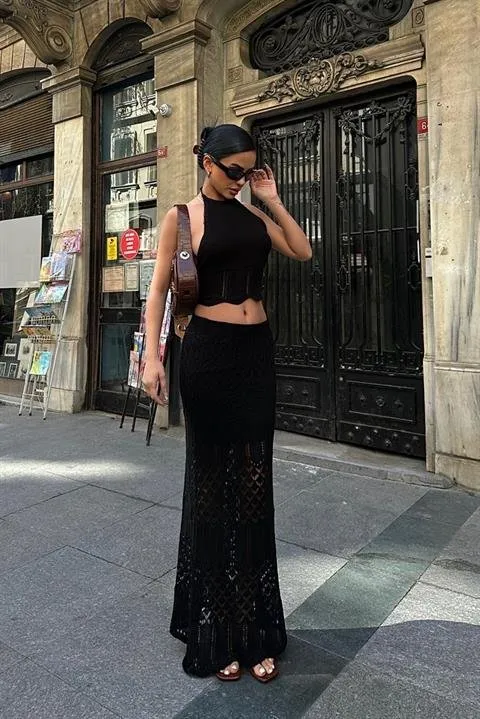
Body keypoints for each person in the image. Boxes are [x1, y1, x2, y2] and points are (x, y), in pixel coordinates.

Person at [143, 124, 312, 682]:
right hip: (209, 355)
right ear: (207, 163)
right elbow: (159, 290)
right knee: (213, 490)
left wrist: (272, 198)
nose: (240, 180)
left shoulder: (255, 216)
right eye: (233, 171)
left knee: (255, 487)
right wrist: (152, 359)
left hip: (255, 354)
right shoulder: (182, 218)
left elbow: (302, 250)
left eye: (248, 171)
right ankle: (216, 630)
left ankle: (255, 626)